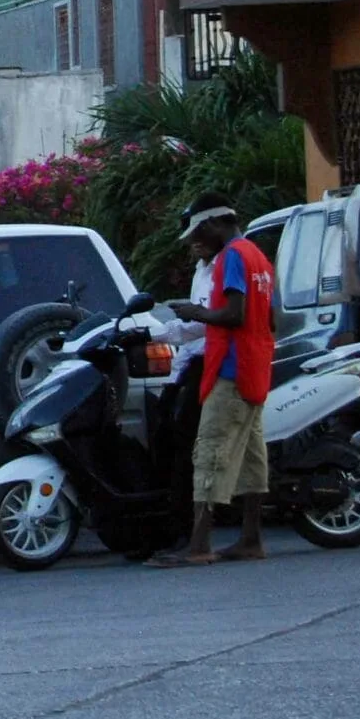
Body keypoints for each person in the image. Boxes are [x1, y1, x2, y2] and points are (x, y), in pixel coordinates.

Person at [152, 199, 277, 568]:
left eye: (198, 232)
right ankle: (251, 539)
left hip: (230, 368)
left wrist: (197, 313)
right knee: (252, 457)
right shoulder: (258, 257)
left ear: (213, 224)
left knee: (209, 452)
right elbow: (268, 318)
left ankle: (199, 544)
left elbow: (234, 315)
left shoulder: (232, 257)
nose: (196, 241)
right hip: (256, 367)